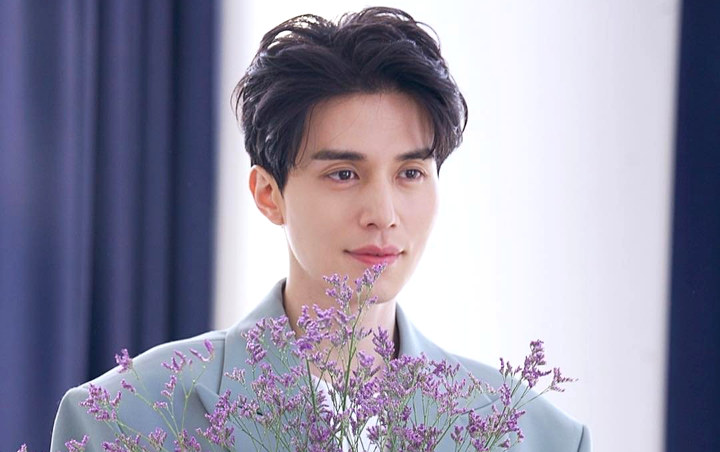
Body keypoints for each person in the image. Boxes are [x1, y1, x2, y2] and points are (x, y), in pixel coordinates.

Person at [50, 7, 590, 451]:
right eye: (344, 174)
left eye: (410, 173)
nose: (383, 213)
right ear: (269, 194)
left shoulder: (538, 436)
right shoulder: (122, 419)